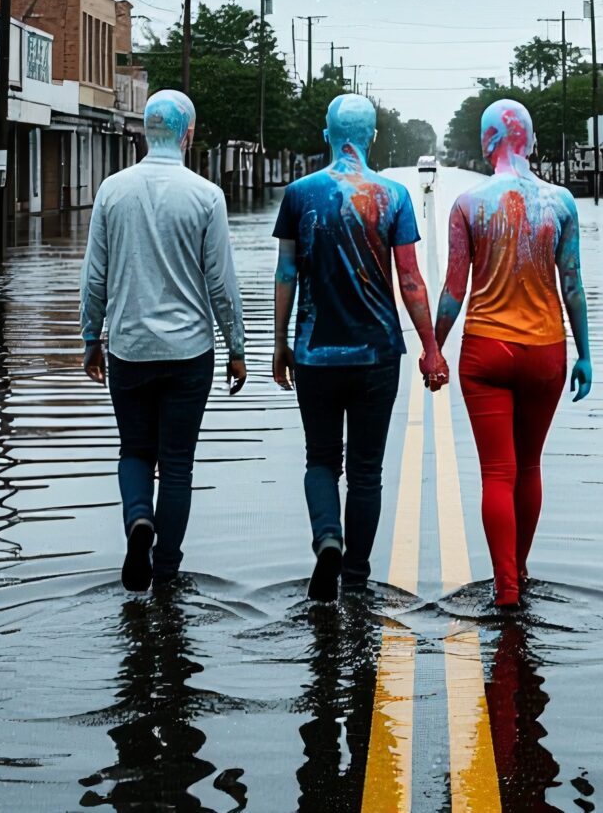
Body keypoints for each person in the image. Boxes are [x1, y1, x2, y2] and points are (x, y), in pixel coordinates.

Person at [272, 94, 449, 602]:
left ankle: (328, 539)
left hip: (315, 353)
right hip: (376, 355)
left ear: (327, 134)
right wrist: (431, 349)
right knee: (367, 470)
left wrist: (280, 341)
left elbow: (286, 273)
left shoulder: (300, 194)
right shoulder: (393, 196)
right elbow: (411, 280)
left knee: (321, 460)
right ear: (371, 137)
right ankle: (355, 577)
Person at [82, 89, 246, 591]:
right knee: (177, 464)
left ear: (142, 131)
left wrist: (91, 338)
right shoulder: (206, 196)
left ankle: (138, 520)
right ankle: (167, 571)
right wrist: (237, 346)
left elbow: (95, 277)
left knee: (134, 451)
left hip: (128, 348)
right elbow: (220, 282)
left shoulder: (112, 191)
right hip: (188, 353)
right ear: (188, 133)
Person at [435, 98, 592, 611]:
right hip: (546, 351)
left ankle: (504, 586)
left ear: (488, 142)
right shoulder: (562, 202)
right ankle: (521, 570)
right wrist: (585, 355)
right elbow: (573, 286)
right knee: (529, 468)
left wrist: (433, 346)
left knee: (496, 473)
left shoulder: (468, 204)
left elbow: (454, 291)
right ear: (531, 140)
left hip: (486, 353)